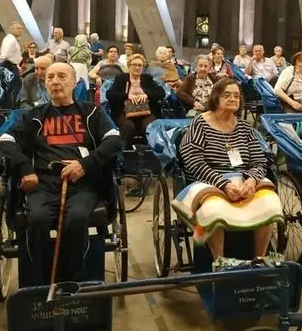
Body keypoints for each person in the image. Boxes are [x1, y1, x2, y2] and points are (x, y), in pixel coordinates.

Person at [0, 63, 122, 286]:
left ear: (74, 83)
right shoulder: (34, 115)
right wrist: (26, 169)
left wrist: (85, 164)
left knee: (77, 218)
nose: (55, 81)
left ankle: (70, 281)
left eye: (62, 76)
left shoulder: (92, 112)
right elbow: (6, 140)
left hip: (82, 183)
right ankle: (40, 282)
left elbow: (114, 140)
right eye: (50, 77)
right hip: (42, 183)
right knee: (37, 219)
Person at [178, 78, 282, 258]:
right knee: (214, 210)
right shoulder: (200, 124)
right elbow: (193, 160)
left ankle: (260, 258)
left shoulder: (244, 127)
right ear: (216, 98)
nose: (233, 99)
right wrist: (223, 184)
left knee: (270, 203)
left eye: (236, 96)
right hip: (209, 180)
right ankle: (219, 261)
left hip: (243, 179)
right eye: (227, 95)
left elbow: (259, 161)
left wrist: (252, 180)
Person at [107, 54, 165, 147]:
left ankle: (149, 151)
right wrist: (127, 96)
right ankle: (123, 151)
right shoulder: (121, 78)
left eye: (139, 65)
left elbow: (161, 93)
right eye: (134, 65)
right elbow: (110, 94)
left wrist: (146, 95)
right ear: (129, 66)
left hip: (146, 113)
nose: (137, 67)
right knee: (128, 126)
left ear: (143, 67)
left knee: (149, 126)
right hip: (124, 113)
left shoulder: (147, 78)